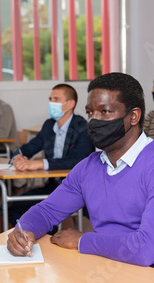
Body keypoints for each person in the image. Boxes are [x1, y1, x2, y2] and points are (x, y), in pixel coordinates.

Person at [7, 73, 154, 278]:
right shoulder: (89, 167)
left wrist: (81, 241)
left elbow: (145, 249)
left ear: (133, 116)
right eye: (90, 112)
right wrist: (24, 230)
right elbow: (47, 211)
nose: (94, 120)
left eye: (105, 111)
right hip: (103, 270)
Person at [7, 83, 94, 225]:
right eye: (50, 99)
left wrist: (40, 163)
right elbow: (31, 146)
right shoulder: (49, 125)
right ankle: (42, 237)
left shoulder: (82, 126)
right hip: (52, 187)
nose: (51, 103)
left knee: (45, 211)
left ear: (70, 104)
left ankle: (46, 234)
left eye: (56, 99)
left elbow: (78, 160)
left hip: (76, 189)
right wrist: (18, 156)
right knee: (11, 207)